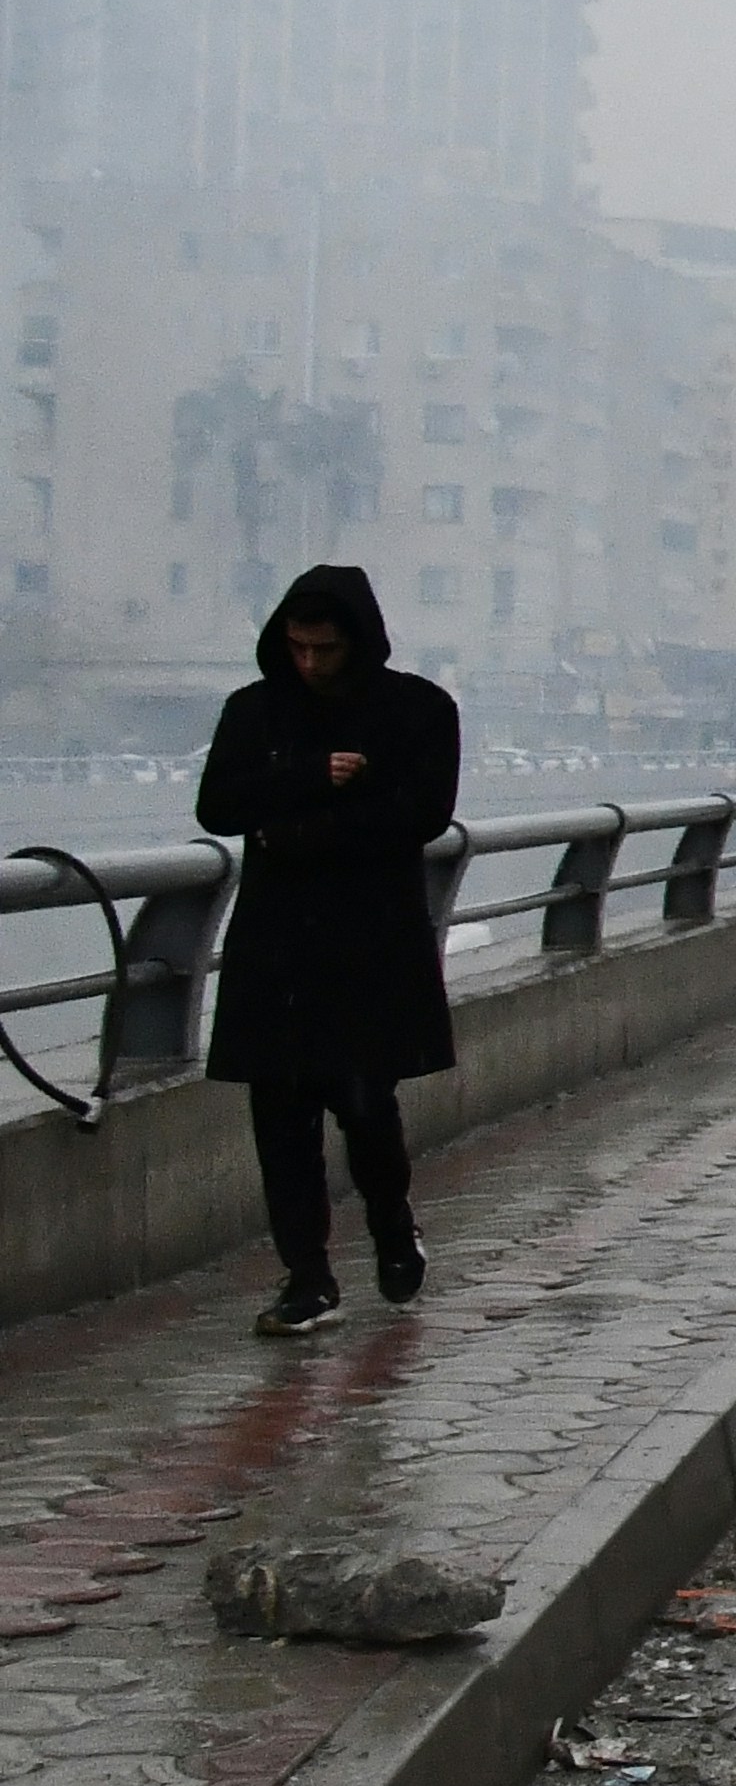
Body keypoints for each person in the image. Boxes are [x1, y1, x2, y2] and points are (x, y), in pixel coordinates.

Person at [193, 565, 463, 1339]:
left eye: (327, 649)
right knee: (280, 1121)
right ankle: (307, 1277)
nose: (310, 664)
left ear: (359, 641)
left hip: (369, 944)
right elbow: (218, 806)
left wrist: (301, 831)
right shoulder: (254, 711)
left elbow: (423, 812)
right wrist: (309, 776)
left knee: (367, 1106)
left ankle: (392, 1224)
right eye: (298, 647)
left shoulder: (418, 710)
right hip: (276, 947)